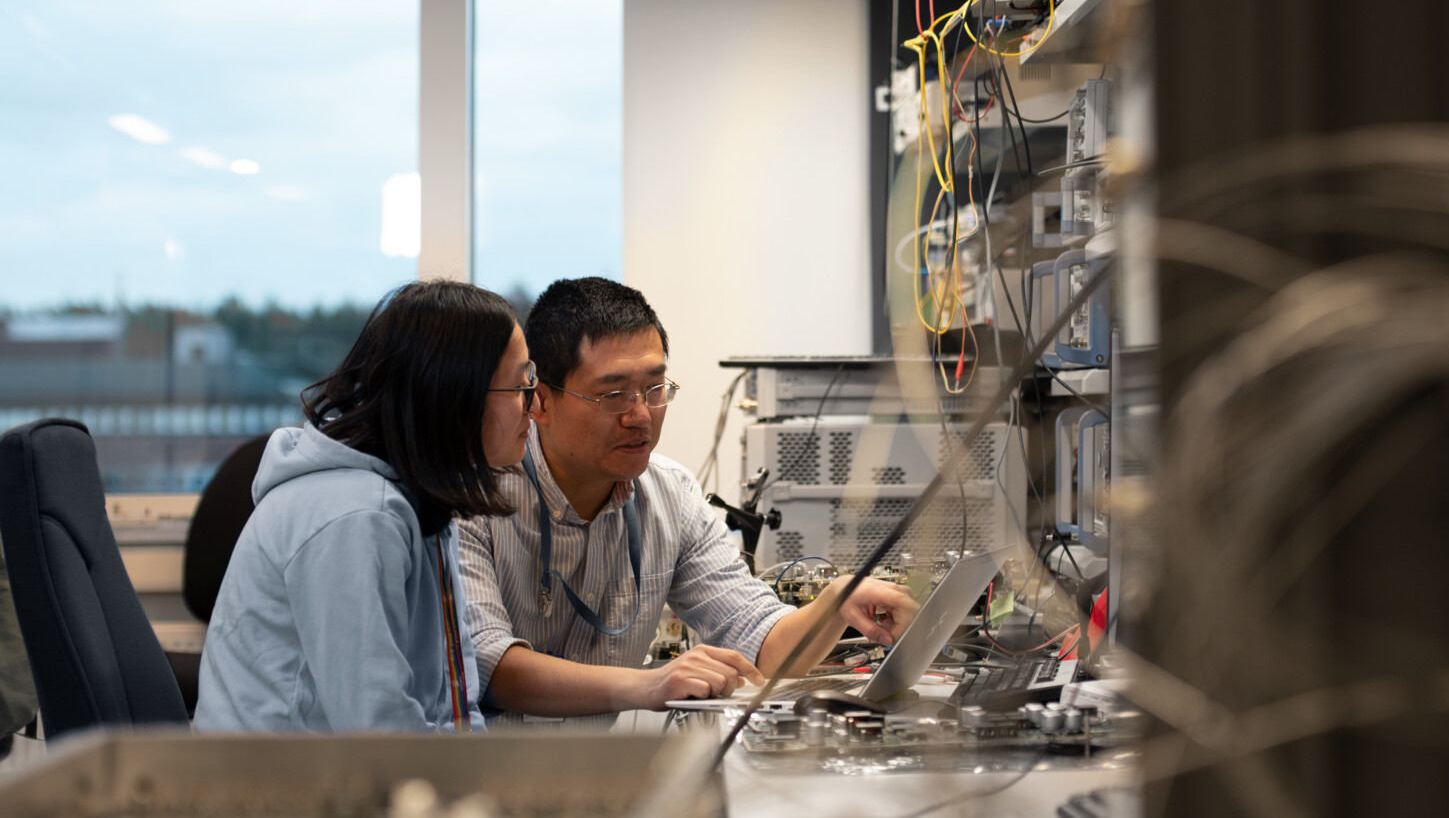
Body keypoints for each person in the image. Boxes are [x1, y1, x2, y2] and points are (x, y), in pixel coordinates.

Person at [456, 277, 918, 722]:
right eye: (613, 395)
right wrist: (648, 684)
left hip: (598, 768)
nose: (641, 416)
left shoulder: (670, 496)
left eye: (655, 389)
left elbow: (761, 638)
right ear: (540, 401)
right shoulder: (471, 497)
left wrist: (834, 603)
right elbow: (489, 667)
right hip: (479, 769)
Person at [196, 280, 535, 732]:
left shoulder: (417, 498)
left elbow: (453, 700)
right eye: (520, 386)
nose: (534, 404)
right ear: (455, 394)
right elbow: (377, 731)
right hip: (285, 777)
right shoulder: (356, 518)